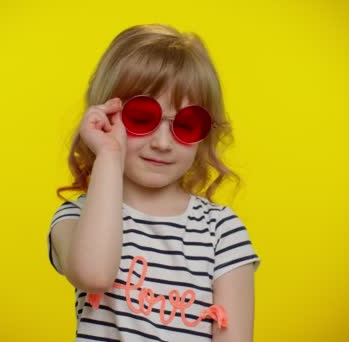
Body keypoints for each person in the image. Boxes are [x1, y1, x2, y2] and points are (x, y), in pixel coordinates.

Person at [47, 24, 261, 341]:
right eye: (142, 117)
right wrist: (108, 153)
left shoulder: (221, 231)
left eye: (187, 124)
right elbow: (94, 275)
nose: (162, 142)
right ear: (106, 115)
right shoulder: (76, 218)